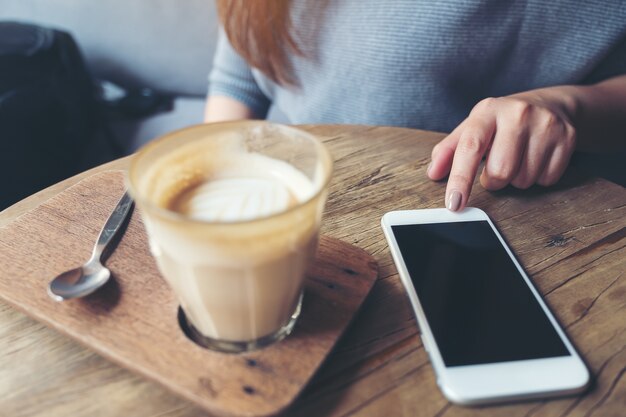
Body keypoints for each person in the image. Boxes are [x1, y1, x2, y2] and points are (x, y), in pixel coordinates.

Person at [204, 0, 626, 211]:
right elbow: (238, 80)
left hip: (451, 216)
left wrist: (567, 105)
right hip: (281, 202)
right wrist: (215, 186)